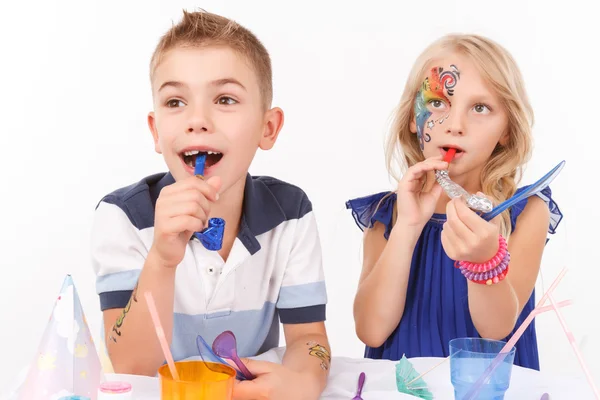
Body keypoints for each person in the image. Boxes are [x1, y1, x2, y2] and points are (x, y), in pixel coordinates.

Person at [91, 10, 330, 398]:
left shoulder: (291, 214)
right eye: (175, 102)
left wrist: (304, 381)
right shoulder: (123, 218)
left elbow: (309, 338)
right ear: (155, 131)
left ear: (267, 128)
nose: (197, 120)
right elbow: (132, 367)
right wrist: (162, 259)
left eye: (224, 98)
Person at [346, 34, 562, 370]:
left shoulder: (525, 212)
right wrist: (407, 226)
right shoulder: (385, 216)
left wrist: (484, 261)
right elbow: (371, 330)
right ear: (411, 119)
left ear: (506, 129)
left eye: (480, 108)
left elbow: (495, 330)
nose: (455, 125)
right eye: (437, 103)